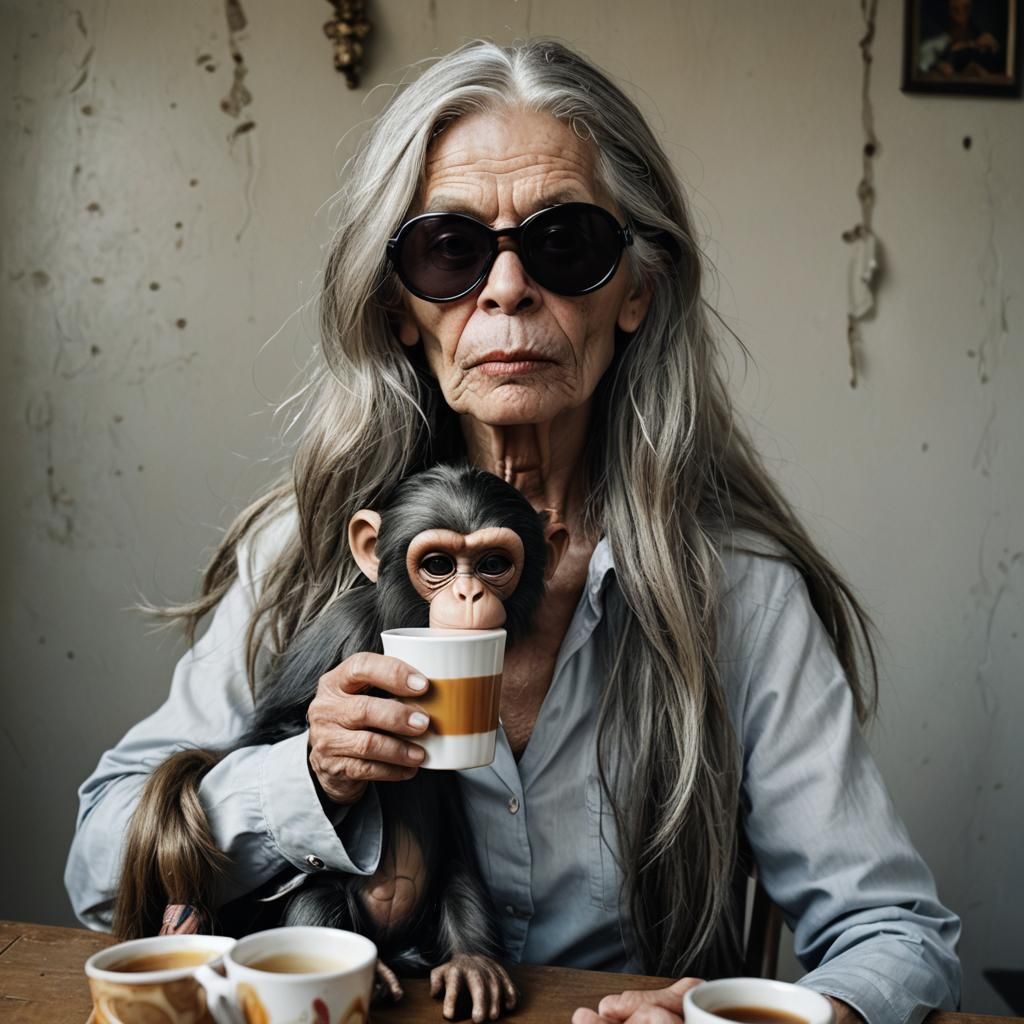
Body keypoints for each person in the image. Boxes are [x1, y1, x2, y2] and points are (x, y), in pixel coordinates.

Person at [65, 39, 960, 1024]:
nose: (503, 288)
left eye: (563, 243)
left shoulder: (735, 585)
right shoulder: (307, 550)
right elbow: (103, 870)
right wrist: (303, 779)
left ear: (634, 293)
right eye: (448, 250)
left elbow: (896, 933)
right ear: (401, 309)